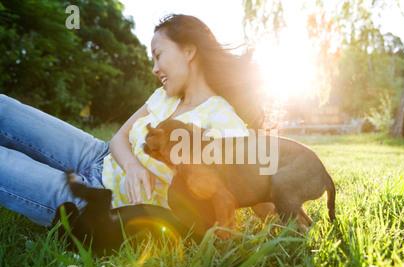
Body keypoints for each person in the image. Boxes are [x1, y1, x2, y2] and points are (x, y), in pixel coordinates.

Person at [0, 13, 268, 230]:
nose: (154, 68)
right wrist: (132, 167)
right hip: (96, 154)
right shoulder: (164, 97)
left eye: (158, 55)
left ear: (188, 50)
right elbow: (118, 138)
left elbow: (256, 191)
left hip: (97, 201)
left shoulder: (225, 124)